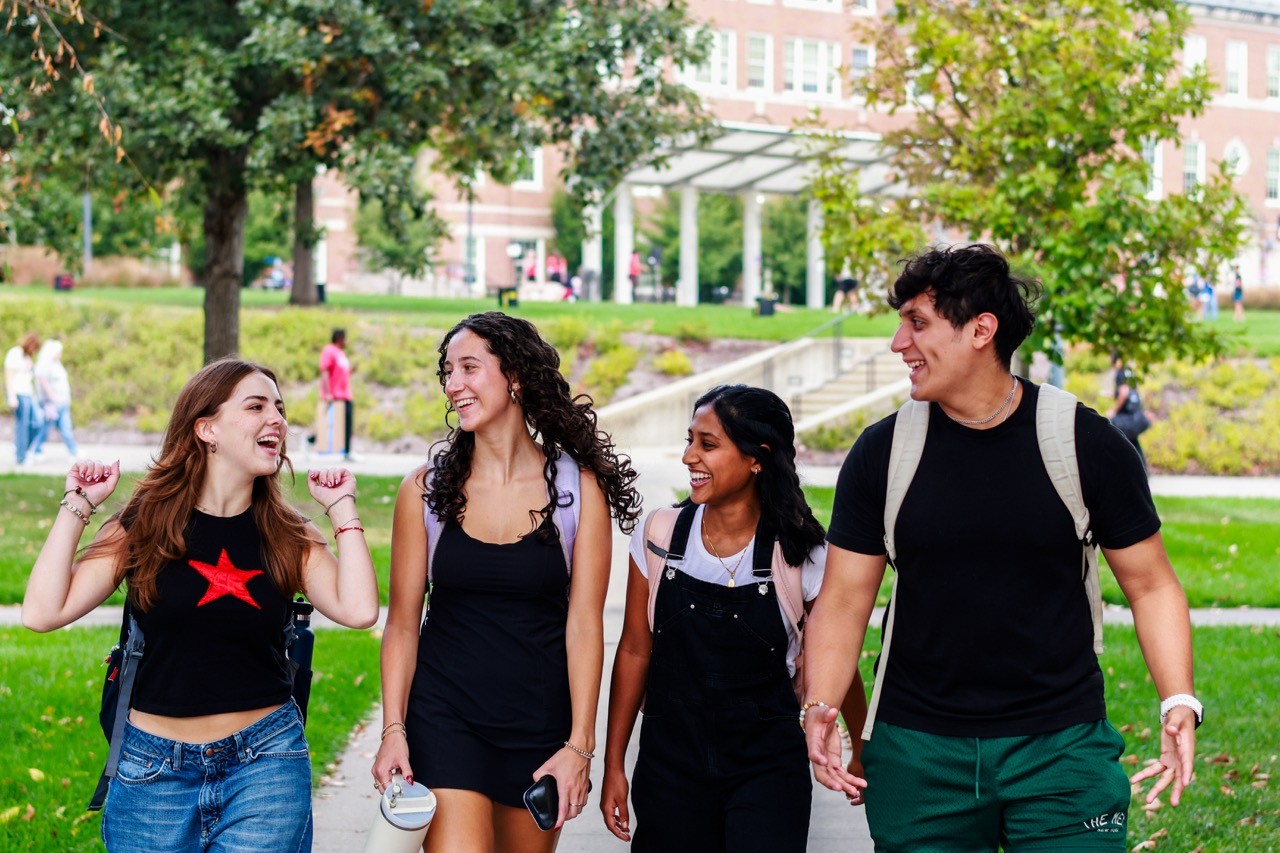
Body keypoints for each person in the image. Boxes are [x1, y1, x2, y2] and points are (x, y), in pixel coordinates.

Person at [802, 244, 1198, 852]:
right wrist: (822, 706)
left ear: (981, 330)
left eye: (918, 323)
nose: (897, 343)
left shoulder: (1084, 442)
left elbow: (1151, 584)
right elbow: (844, 598)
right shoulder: (882, 453)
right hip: (918, 755)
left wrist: (1177, 697)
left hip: (1062, 752)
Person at [21, 358, 379, 852]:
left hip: (265, 762)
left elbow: (359, 610)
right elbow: (42, 612)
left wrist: (343, 511)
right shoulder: (144, 525)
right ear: (206, 429)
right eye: (256, 406)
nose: (276, 418)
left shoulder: (287, 533)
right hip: (152, 771)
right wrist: (78, 505)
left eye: (279, 408)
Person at [372, 311, 642, 852]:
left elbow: (585, 625)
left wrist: (579, 747)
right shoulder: (423, 492)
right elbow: (402, 624)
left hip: (539, 726)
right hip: (445, 719)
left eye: (469, 368)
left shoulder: (577, 490)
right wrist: (393, 730)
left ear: (515, 376)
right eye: (448, 372)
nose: (454, 385)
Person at [600, 385, 865, 853]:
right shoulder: (659, 535)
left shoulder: (801, 555)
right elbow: (635, 650)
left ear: (756, 458)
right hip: (670, 766)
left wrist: (860, 749)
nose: (688, 457)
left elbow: (836, 653)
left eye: (707, 443)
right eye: (689, 440)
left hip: (767, 770)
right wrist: (614, 765)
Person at [33, 339, 78, 459]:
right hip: (52, 403)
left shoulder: (56, 364)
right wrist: (53, 397)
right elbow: (43, 382)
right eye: (59, 351)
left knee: (65, 427)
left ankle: (73, 450)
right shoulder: (45, 364)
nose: (61, 354)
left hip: (62, 402)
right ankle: (35, 449)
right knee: (45, 428)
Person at [4, 332, 42, 464]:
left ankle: (20, 447)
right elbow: (9, 376)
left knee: (37, 422)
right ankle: (21, 457)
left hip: (28, 394)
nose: (34, 350)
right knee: (22, 425)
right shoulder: (15, 353)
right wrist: (11, 396)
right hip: (18, 393)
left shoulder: (27, 357)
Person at [1109, 352, 1150, 471]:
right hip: (1135, 415)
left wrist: (1114, 411)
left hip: (1125, 417)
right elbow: (1134, 391)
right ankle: (1142, 469)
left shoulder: (1120, 373)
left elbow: (1124, 392)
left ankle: (1123, 469)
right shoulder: (1130, 373)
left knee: (1119, 440)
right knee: (1132, 442)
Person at [319, 328, 355, 460]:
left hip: (345, 394)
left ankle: (347, 452)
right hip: (334, 395)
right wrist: (328, 393)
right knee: (327, 422)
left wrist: (351, 371)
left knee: (347, 423)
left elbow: (341, 373)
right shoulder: (329, 350)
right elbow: (325, 371)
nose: (347, 341)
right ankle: (310, 441)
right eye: (346, 338)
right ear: (340, 338)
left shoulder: (341, 353)